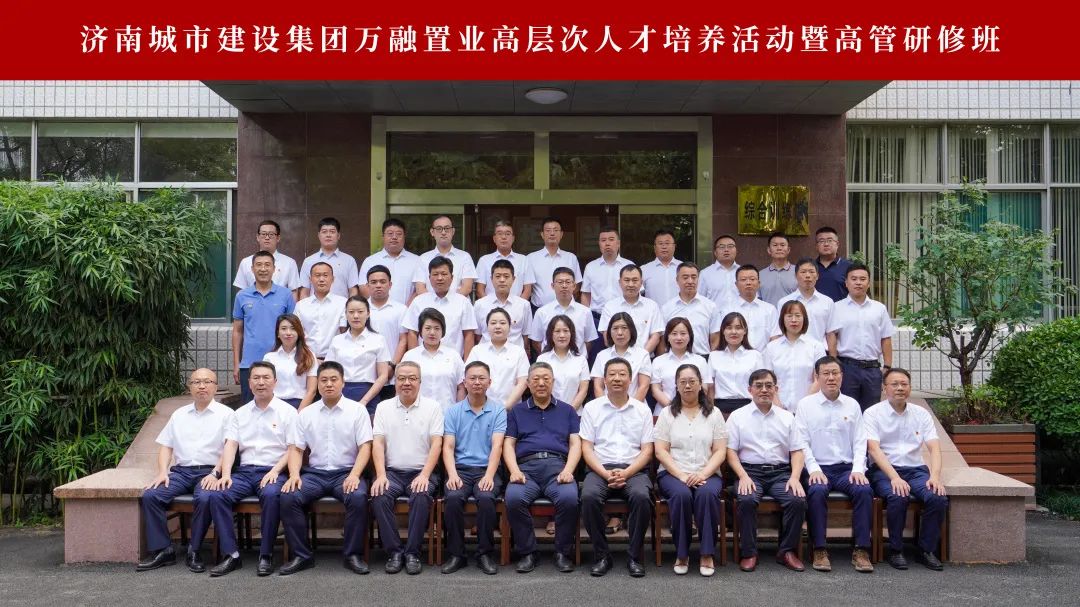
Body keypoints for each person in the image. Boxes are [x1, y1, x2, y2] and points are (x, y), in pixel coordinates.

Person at [278, 361, 372, 576]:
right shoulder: (306, 413)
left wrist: (355, 475)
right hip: (315, 474)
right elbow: (296, 449)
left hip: (346, 472)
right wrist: (294, 475)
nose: (329, 384)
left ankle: (352, 555)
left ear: (343, 382)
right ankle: (302, 556)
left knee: (358, 497)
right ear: (317, 384)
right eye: (324, 380)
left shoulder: (357, 411)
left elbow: (365, 447)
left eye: (333, 379)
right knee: (289, 496)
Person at [204, 361, 298, 576]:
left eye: (266, 378)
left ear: (275, 382)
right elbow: (231, 445)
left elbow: (293, 448)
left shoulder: (288, 412)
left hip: (274, 470)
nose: (261, 382)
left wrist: (275, 471)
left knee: (272, 495)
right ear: (249, 382)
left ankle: (266, 554)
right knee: (218, 494)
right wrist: (225, 474)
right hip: (245, 472)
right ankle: (231, 555)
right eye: (256, 378)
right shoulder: (240, 413)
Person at [136, 368, 231, 573]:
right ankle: (163, 550)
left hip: (209, 472)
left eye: (207, 382)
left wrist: (216, 473)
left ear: (215, 387)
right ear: (189, 387)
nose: (202, 386)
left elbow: (229, 449)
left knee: (205, 497)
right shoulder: (179, 414)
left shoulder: (227, 414)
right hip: (181, 473)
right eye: (196, 382)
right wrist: (163, 472)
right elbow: (166, 446)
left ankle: (194, 550)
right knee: (151, 495)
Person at [794, 356, 875, 573]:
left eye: (835, 373)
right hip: (818, 467)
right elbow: (801, 442)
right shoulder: (805, 405)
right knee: (816, 491)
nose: (831, 378)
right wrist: (813, 469)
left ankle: (861, 549)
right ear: (817, 377)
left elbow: (860, 441)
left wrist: (858, 469)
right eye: (826, 373)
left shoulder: (852, 404)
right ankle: (819, 548)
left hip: (846, 468)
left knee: (864, 490)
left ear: (842, 376)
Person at [863, 368, 948, 571]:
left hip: (916, 469)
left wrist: (935, 476)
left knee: (937, 497)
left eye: (904, 384)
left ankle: (925, 550)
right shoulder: (873, 413)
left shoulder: (921, 414)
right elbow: (873, 449)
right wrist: (894, 477)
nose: (900, 388)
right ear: (884, 388)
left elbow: (934, 448)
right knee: (898, 495)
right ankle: (895, 549)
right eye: (894, 384)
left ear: (910, 387)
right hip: (884, 471)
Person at [726, 369, 808, 573]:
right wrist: (742, 476)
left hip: (781, 473)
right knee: (746, 499)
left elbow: (797, 451)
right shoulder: (737, 416)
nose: (764, 390)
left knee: (797, 500)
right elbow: (730, 452)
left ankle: (786, 551)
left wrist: (795, 477)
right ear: (750, 389)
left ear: (776, 389)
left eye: (769, 386)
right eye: (759, 386)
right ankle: (749, 552)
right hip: (750, 472)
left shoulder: (787, 417)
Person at [579, 358, 655, 577]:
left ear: (630, 380)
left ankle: (634, 556)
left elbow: (647, 451)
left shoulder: (642, 410)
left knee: (641, 497)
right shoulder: (592, 408)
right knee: (589, 497)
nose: (617, 378)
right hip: (600, 468)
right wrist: (605, 473)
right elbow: (587, 448)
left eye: (622, 374)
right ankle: (602, 555)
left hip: (633, 469)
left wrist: (627, 473)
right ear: (604, 379)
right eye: (612, 374)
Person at [503, 362, 582, 574]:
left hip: (557, 468)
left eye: (546, 379)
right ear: (528, 384)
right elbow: (508, 444)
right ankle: (528, 552)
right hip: (526, 469)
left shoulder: (567, 410)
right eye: (536, 379)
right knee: (514, 499)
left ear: (553, 382)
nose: (541, 383)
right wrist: (514, 470)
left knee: (569, 499)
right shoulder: (517, 411)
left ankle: (562, 552)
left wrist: (568, 470)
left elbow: (575, 444)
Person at [371, 361, 445, 575]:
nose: (406, 383)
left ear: (420, 382)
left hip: (422, 472)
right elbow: (378, 443)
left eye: (412, 378)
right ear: (395, 382)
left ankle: (412, 553)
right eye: (401, 378)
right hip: (392, 473)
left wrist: (425, 475)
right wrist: (381, 475)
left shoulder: (433, 407)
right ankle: (395, 552)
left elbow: (437, 444)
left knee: (421, 495)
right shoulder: (383, 407)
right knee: (379, 494)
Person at [653, 364, 727, 577]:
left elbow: (720, 451)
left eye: (692, 381)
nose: (687, 386)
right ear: (676, 386)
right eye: (683, 382)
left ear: (700, 384)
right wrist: (682, 475)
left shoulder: (714, 413)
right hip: (673, 473)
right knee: (682, 495)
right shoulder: (667, 414)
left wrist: (702, 474)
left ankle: (706, 553)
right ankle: (682, 553)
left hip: (707, 473)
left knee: (706, 494)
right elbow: (660, 451)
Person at [440, 361, 507, 575]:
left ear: (489, 382)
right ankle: (456, 554)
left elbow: (497, 446)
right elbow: (448, 447)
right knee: (452, 498)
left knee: (486, 498)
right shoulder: (453, 411)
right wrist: (452, 474)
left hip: (487, 469)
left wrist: (489, 475)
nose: (477, 382)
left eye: (481, 378)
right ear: (465, 382)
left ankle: (484, 554)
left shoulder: (498, 410)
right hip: (460, 468)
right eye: (472, 378)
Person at [826, 262, 895, 410]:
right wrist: (834, 364)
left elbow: (886, 338)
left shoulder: (879, 308)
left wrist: (887, 367)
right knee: (846, 410)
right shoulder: (836, 307)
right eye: (854, 279)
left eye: (863, 279)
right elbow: (832, 337)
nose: (858, 282)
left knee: (872, 410)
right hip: (847, 368)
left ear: (868, 283)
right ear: (846, 283)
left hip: (872, 369)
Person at [232, 250, 296, 402]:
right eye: (258, 265)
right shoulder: (242, 296)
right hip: (249, 363)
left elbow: (293, 329)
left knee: (279, 407)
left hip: (280, 362)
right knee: (250, 408)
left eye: (267, 265)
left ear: (274, 269)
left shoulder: (286, 295)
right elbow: (237, 331)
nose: (263, 269)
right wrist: (236, 364)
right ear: (252, 269)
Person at [325, 295, 392, 415]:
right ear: (346, 314)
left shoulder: (378, 339)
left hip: (369, 395)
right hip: (340, 394)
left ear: (368, 313)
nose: (355, 316)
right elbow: (329, 372)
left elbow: (383, 376)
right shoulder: (337, 340)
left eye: (360, 312)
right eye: (351, 312)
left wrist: (364, 401)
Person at [404, 256, 478, 358]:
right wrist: (415, 360)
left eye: (444, 274)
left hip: (453, 361)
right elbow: (412, 333)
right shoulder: (418, 301)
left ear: (452, 278)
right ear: (429, 278)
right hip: (423, 361)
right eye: (435, 274)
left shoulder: (463, 302)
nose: (439, 278)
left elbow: (469, 334)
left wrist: (466, 363)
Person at [763, 301, 825, 410]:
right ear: (782, 319)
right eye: (789, 316)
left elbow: (819, 379)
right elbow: (767, 381)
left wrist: (804, 406)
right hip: (778, 408)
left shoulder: (816, 346)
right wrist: (778, 407)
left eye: (798, 315)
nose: (794, 320)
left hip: (809, 408)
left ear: (804, 319)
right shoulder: (771, 348)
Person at [401, 308, 466, 411]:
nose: (432, 332)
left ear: (443, 331)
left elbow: (461, 387)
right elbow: (401, 387)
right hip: (418, 414)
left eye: (437, 328)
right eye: (427, 328)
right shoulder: (410, 357)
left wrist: (459, 412)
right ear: (420, 331)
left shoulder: (453, 356)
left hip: (447, 414)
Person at [466, 308, 529, 407]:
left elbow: (523, 382)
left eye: (502, 323)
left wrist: (506, 407)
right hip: (481, 409)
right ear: (487, 327)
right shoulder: (477, 351)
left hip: (511, 409)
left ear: (509, 327)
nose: (498, 326)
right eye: (493, 323)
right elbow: (469, 379)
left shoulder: (519, 352)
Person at [581, 227, 633, 345]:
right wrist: (586, 318)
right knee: (597, 353)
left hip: (623, 320)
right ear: (599, 244)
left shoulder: (629, 266)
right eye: (603, 240)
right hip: (596, 319)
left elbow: (636, 293)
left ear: (618, 243)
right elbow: (586, 295)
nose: (607, 243)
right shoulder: (591, 267)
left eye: (611, 239)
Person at [530, 266, 598, 357]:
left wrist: (578, 356)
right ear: (552, 286)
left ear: (574, 286)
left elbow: (589, 341)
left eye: (568, 282)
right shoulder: (542, 312)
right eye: (560, 282)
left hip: (577, 361)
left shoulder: (585, 312)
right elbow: (536, 341)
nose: (564, 286)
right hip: (550, 362)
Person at [650, 317, 712, 414]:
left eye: (683, 333)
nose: (679, 338)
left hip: (694, 412)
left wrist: (687, 409)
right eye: (674, 334)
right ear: (668, 337)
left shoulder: (700, 361)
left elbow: (704, 388)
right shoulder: (658, 361)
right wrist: (673, 408)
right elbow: (656, 389)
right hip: (665, 412)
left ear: (690, 336)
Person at [365, 264, 409, 402]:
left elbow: (403, 340)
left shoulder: (401, 309)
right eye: (374, 282)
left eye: (382, 282)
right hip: (365, 375)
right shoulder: (360, 309)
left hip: (391, 376)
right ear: (367, 285)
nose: (378, 285)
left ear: (390, 284)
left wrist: (392, 366)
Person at [598, 264, 664, 354]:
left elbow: (655, 336)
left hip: (644, 358)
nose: (630, 284)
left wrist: (641, 357)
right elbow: (607, 337)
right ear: (620, 282)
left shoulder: (652, 306)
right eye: (627, 280)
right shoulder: (610, 306)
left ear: (641, 282)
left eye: (635, 280)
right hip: (617, 359)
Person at [709, 312, 764, 416]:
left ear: (745, 331)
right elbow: (711, 388)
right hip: (720, 409)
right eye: (729, 328)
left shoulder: (755, 355)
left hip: (748, 408)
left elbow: (760, 385)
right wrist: (711, 411)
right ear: (723, 331)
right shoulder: (713, 356)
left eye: (738, 328)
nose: (734, 332)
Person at [661, 262, 721, 357]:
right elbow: (662, 340)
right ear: (677, 280)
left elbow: (715, 338)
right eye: (685, 277)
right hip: (675, 359)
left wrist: (711, 360)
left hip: (703, 358)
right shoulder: (667, 308)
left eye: (694, 277)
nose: (690, 281)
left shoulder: (710, 306)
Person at [359, 218, 422, 306]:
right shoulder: (370, 261)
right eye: (390, 233)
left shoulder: (417, 260)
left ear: (404, 237)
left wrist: (407, 309)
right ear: (383, 237)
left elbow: (419, 288)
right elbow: (363, 287)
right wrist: (380, 305)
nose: (394, 237)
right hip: (377, 310)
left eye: (399, 234)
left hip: (408, 311)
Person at [473, 259, 533, 349]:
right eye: (497, 276)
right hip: (487, 354)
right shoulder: (480, 305)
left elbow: (526, 336)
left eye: (506, 276)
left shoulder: (524, 305)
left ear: (513, 279)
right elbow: (477, 336)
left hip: (515, 355)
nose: (502, 280)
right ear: (491, 279)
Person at [590, 312, 652, 402]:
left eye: (624, 328)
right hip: (606, 408)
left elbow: (643, 386)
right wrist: (605, 407)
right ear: (609, 332)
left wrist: (631, 407)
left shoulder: (642, 354)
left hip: (635, 406)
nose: (619, 333)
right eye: (615, 328)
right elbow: (598, 387)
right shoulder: (602, 355)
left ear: (631, 330)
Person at [233, 219, 301, 299]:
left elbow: (293, 291)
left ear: (278, 238)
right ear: (258, 237)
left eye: (271, 234)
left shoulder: (289, 263)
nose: (267, 237)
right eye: (263, 234)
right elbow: (241, 292)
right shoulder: (246, 262)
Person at [526, 217, 583, 310]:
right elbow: (528, 287)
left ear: (561, 234)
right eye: (548, 230)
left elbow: (576, 286)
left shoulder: (571, 258)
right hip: (539, 309)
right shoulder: (531, 258)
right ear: (542, 234)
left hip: (566, 308)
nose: (552, 233)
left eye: (556, 230)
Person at [413, 215, 477, 297]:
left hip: (458, 304)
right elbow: (420, 289)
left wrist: (449, 302)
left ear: (453, 231)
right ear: (432, 232)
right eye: (439, 229)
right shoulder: (423, 258)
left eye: (447, 228)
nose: (443, 232)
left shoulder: (465, 257)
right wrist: (435, 303)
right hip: (429, 304)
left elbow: (467, 288)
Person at [293, 262, 347, 360]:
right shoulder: (301, 305)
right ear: (310, 279)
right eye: (317, 275)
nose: (321, 279)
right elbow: (297, 334)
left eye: (325, 275)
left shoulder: (343, 303)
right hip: (307, 359)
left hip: (335, 359)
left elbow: (344, 333)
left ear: (332, 279)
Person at [262, 314, 317, 409]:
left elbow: (311, 391)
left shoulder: (309, 356)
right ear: (278, 333)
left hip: (300, 405)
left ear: (299, 332)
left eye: (293, 329)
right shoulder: (269, 358)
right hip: (275, 405)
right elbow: (265, 386)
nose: (288, 333)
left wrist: (299, 413)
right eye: (284, 328)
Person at [536, 315, 590, 411]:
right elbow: (538, 388)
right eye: (557, 331)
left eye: (565, 331)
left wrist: (569, 412)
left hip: (575, 413)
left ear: (571, 334)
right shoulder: (542, 359)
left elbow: (583, 390)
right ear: (551, 334)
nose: (562, 335)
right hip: (547, 413)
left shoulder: (581, 360)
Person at [298, 217, 360, 299]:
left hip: (341, 306)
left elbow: (353, 290)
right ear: (319, 235)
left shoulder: (349, 260)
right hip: (315, 306)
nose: (328, 235)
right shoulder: (308, 261)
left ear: (338, 236)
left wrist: (351, 306)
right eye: (324, 232)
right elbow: (304, 291)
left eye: (332, 232)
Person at [778, 258, 835, 344]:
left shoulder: (828, 302)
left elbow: (830, 334)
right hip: (792, 349)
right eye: (803, 272)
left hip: (819, 350)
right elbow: (781, 332)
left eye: (811, 272)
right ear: (796, 276)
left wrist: (831, 353)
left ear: (817, 276)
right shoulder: (784, 302)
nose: (808, 275)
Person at [475, 219, 535, 300]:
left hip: (517, 306)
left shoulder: (524, 260)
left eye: (507, 234)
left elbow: (527, 290)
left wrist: (518, 305)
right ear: (494, 238)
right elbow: (480, 290)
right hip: (491, 307)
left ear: (513, 238)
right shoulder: (484, 260)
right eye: (500, 234)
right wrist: (490, 305)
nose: (504, 237)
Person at [729, 265, 781, 352]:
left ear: (759, 283)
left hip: (764, 358)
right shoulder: (727, 310)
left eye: (752, 279)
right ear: (736, 284)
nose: (748, 283)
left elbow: (775, 338)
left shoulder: (770, 310)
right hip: (736, 358)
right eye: (743, 280)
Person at [699, 235, 740, 312]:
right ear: (715, 252)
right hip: (714, 318)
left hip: (740, 318)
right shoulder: (705, 274)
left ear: (736, 251)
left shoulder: (743, 272)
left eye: (730, 246)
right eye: (722, 247)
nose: (726, 250)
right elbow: (700, 300)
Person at [642, 228, 681, 305]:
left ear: (674, 246)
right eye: (660, 243)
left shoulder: (684, 268)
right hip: (654, 312)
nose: (664, 247)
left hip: (679, 312)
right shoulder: (644, 270)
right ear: (654, 247)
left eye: (667, 243)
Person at [814, 226, 852, 302]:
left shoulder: (849, 267)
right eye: (821, 241)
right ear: (816, 246)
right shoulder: (811, 267)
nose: (826, 244)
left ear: (837, 244)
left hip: (841, 309)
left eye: (830, 240)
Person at [759, 232, 798, 307]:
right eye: (775, 245)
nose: (779, 248)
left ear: (788, 250)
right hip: (768, 314)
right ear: (769, 250)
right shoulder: (760, 275)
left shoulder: (798, 272)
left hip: (791, 314)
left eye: (782, 245)